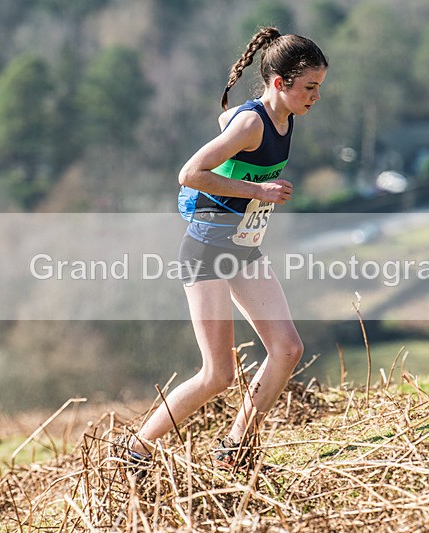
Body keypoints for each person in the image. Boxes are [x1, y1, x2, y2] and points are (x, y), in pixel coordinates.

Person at [112, 26, 328, 475]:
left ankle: (236, 448)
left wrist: (252, 189)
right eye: (309, 88)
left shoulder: (281, 120)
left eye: (319, 88)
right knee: (218, 374)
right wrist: (259, 190)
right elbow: (190, 173)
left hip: (243, 249)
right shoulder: (253, 122)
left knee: (287, 349)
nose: (315, 97)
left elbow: (226, 130)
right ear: (278, 83)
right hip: (206, 251)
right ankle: (135, 450)